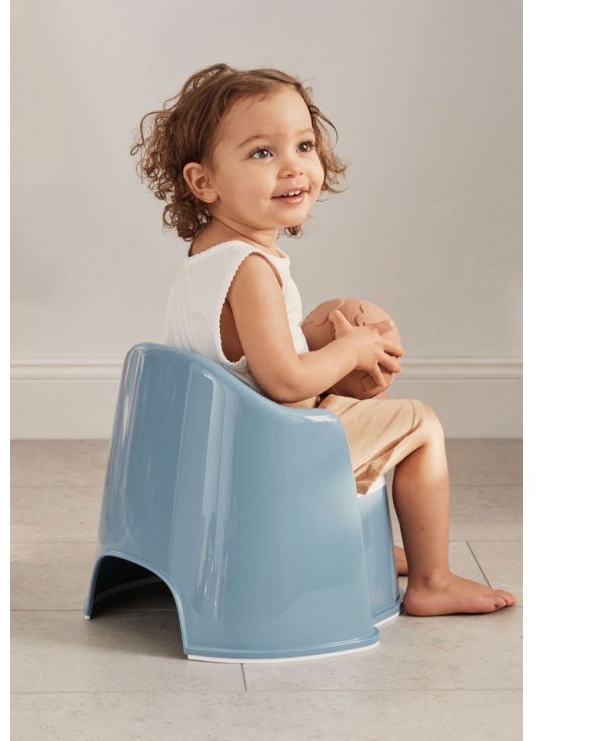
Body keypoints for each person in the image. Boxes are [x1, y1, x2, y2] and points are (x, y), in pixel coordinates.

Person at [133, 63, 516, 616]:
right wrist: (349, 350)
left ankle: (362, 538)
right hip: (269, 457)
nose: (293, 166)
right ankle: (432, 581)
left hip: (224, 448)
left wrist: (318, 333)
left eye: (304, 145)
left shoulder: (205, 260)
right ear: (204, 183)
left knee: (356, 377)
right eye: (262, 152)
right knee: (421, 426)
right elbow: (285, 383)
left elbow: (241, 360)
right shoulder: (251, 268)